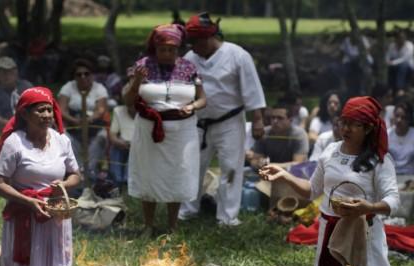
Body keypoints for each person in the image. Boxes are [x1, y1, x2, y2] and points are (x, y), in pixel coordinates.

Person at [260, 96, 413, 266]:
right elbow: (312, 190)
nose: (346, 128)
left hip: (364, 230)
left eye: (354, 124)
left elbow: (393, 201)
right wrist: (284, 176)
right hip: (330, 227)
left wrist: (367, 208)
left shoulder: (379, 160)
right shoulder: (331, 151)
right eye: (344, 122)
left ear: (368, 128)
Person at [177, 12, 266, 226]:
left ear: (208, 38)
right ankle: (188, 209)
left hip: (230, 121)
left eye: (195, 42)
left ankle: (227, 217)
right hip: (198, 122)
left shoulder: (237, 55)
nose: (193, 46)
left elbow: (252, 89)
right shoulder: (190, 59)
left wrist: (257, 119)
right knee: (191, 166)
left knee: (231, 168)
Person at [0, 87, 81, 266]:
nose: (46, 115)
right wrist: (28, 201)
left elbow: (76, 175)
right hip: (26, 212)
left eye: (49, 110)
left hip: (55, 212)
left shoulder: (61, 140)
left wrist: (64, 185)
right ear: (25, 113)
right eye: (40, 110)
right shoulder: (14, 143)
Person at [125, 23, 206, 234]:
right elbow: (128, 100)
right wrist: (137, 82)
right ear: (155, 47)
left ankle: (172, 226)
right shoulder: (143, 65)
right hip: (149, 127)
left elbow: (203, 99)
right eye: (163, 49)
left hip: (182, 130)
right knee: (149, 173)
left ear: (178, 49)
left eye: (172, 49)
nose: (167, 54)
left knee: (176, 174)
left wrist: (192, 106)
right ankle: (148, 225)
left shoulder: (189, 68)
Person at [57, 58, 109, 177]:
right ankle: (76, 171)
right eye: (79, 74)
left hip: (94, 125)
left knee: (102, 138)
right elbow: (61, 109)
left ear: (92, 75)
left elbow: (101, 109)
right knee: (65, 138)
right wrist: (74, 121)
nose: (83, 77)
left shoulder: (99, 88)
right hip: (73, 125)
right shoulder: (68, 87)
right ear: (74, 76)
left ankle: (89, 171)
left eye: (86, 74)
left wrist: (89, 120)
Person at [249, 103, 309, 168]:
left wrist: (270, 166)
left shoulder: (299, 135)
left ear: (290, 120)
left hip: (293, 174)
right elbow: (254, 161)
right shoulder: (264, 133)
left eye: (280, 118)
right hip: (267, 172)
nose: (275, 121)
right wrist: (258, 163)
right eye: (273, 117)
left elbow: (298, 164)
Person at [0, 56, 33, 131]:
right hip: (9, 132)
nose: (6, 75)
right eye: (2, 72)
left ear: (16, 72)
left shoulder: (27, 87)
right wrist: (17, 125)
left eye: (9, 71)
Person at [108, 84, 136, 185]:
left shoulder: (146, 112)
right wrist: (119, 142)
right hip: (124, 143)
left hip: (139, 146)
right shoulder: (118, 110)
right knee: (115, 148)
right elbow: (112, 135)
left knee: (135, 151)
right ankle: (117, 181)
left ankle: (127, 181)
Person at [340, 31, 373, 97]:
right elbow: (342, 51)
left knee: (363, 71)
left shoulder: (362, 39)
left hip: (362, 60)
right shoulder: (347, 40)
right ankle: (347, 89)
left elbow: (368, 50)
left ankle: (362, 89)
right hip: (350, 60)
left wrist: (360, 56)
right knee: (346, 70)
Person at [386, 29, 414, 96]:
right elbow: (388, 56)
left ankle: (400, 88)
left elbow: (405, 59)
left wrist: (393, 63)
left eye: (403, 37)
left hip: (408, 68)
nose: (401, 39)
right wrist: (388, 62)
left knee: (403, 65)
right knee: (390, 68)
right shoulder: (392, 46)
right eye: (399, 38)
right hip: (395, 67)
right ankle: (390, 88)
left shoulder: (410, 45)